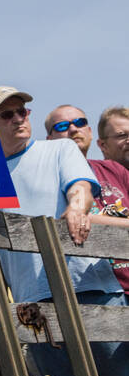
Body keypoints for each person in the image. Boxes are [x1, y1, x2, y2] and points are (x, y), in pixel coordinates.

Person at [0, 87, 129, 376]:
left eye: (23, 111)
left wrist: (76, 206)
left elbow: (80, 185)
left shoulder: (59, 149)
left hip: (90, 286)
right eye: (7, 114)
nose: (18, 118)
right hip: (33, 303)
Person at [46, 103, 129, 296]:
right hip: (105, 289)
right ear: (49, 139)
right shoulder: (50, 176)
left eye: (80, 122)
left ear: (90, 132)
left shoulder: (114, 170)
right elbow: (67, 219)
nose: (73, 129)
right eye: (61, 126)